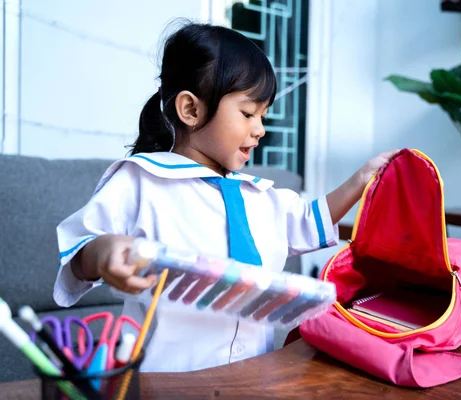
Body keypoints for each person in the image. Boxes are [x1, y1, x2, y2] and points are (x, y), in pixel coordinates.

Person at [53, 22, 399, 373]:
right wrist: (103, 253)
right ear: (191, 110)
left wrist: (361, 179)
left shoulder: (261, 196)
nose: (260, 128)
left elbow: (309, 221)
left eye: (263, 116)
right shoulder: (140, 180)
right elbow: (80, 250)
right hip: (166, 383)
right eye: (248, 113)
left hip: (253, 382)